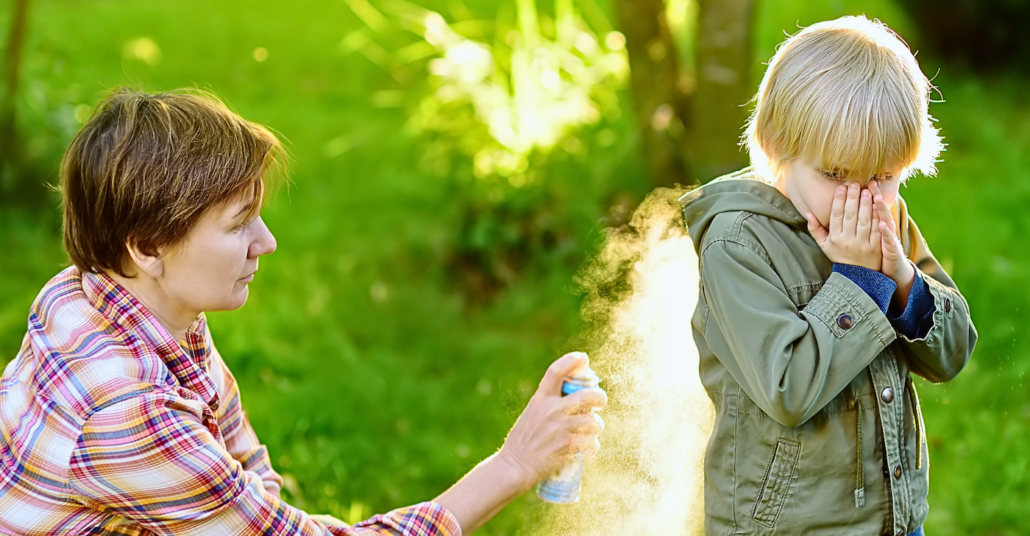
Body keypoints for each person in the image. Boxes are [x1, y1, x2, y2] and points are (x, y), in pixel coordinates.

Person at [0, 89, 607, 535]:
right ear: (148, 246)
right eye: (239, 225)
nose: (266, 243)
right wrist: (514, 464)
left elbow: (241, 455)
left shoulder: (102, 293)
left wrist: (251, 514)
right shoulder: (127, 411)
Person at [680, 16, 976, 536]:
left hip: (893, 519)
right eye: (836, 174)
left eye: (884, 176)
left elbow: (951, 353)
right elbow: (788, 389)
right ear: (775, 144)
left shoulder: (885, 219)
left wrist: (902, 278)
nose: (859, 198)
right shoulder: (738, 243)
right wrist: (861, 281)